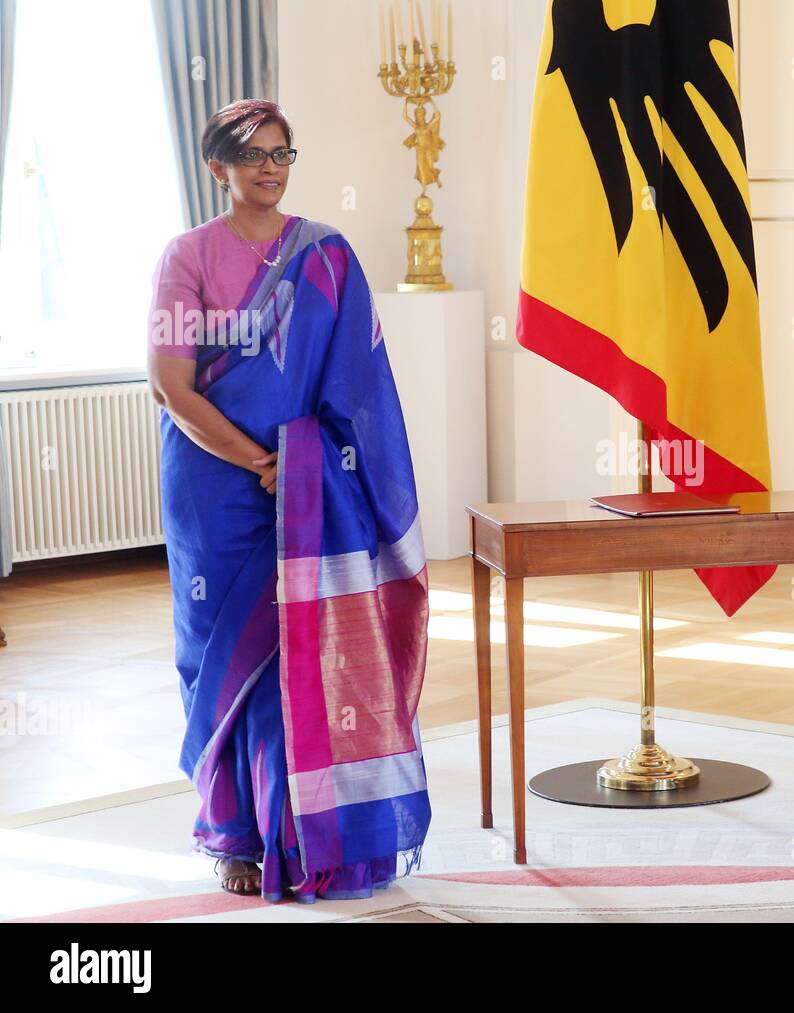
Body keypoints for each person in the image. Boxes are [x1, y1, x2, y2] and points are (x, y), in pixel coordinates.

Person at [147, 100, 432, 899]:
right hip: (214, 489)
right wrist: (258, 461)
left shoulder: (328, 258)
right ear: (218, 168)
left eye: (283, 153)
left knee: (301, 653)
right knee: (219, 658)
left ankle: (308, 833)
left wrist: (307, 466)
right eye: (253, 154)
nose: (271, 167)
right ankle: (237, 834)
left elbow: (360, 386)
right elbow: (171, 387)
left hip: (309, 485)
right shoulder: (186, 257)